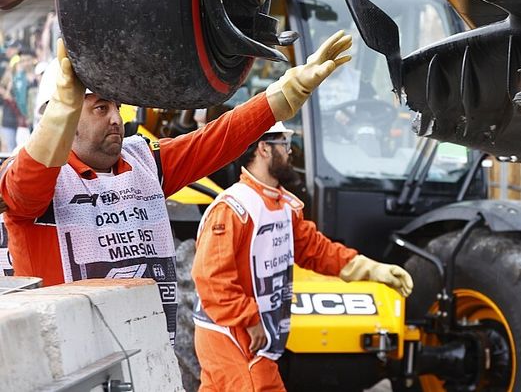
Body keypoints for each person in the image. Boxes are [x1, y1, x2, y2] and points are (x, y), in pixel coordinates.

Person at [0, 32, 353, 344]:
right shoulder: (33, 179)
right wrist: (58, 117)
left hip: (143, 361)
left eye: (118, 107)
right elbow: (28, 182)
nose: (116, 119)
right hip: (70, 370)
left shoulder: (143, 163)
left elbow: (218, 139)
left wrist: (287, 92)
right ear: (59, 118)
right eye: (100, 108)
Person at [191, 122, 413, 391]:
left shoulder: (285, 206)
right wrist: (249, 320)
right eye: (284, 144)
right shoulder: (233, 208)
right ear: (263, 148)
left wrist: (372, 269)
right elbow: (211, 278)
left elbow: (316, 250)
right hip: (233, 339)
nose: (290, 151)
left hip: (252, 341)